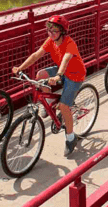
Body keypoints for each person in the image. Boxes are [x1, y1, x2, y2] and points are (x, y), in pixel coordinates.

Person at [12, 15, 86, 156]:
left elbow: (65, 60)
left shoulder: (70, 43)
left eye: (54, 31)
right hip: (62, 71)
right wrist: (20, 69)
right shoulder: (50, 41)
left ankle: (71, 137)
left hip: (75, 75)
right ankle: (50, 104)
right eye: (49, 30)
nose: (51, 34)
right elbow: (35, 55)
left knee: (64, 107)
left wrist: (58, 76)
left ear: (62, 32)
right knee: (40, 75)